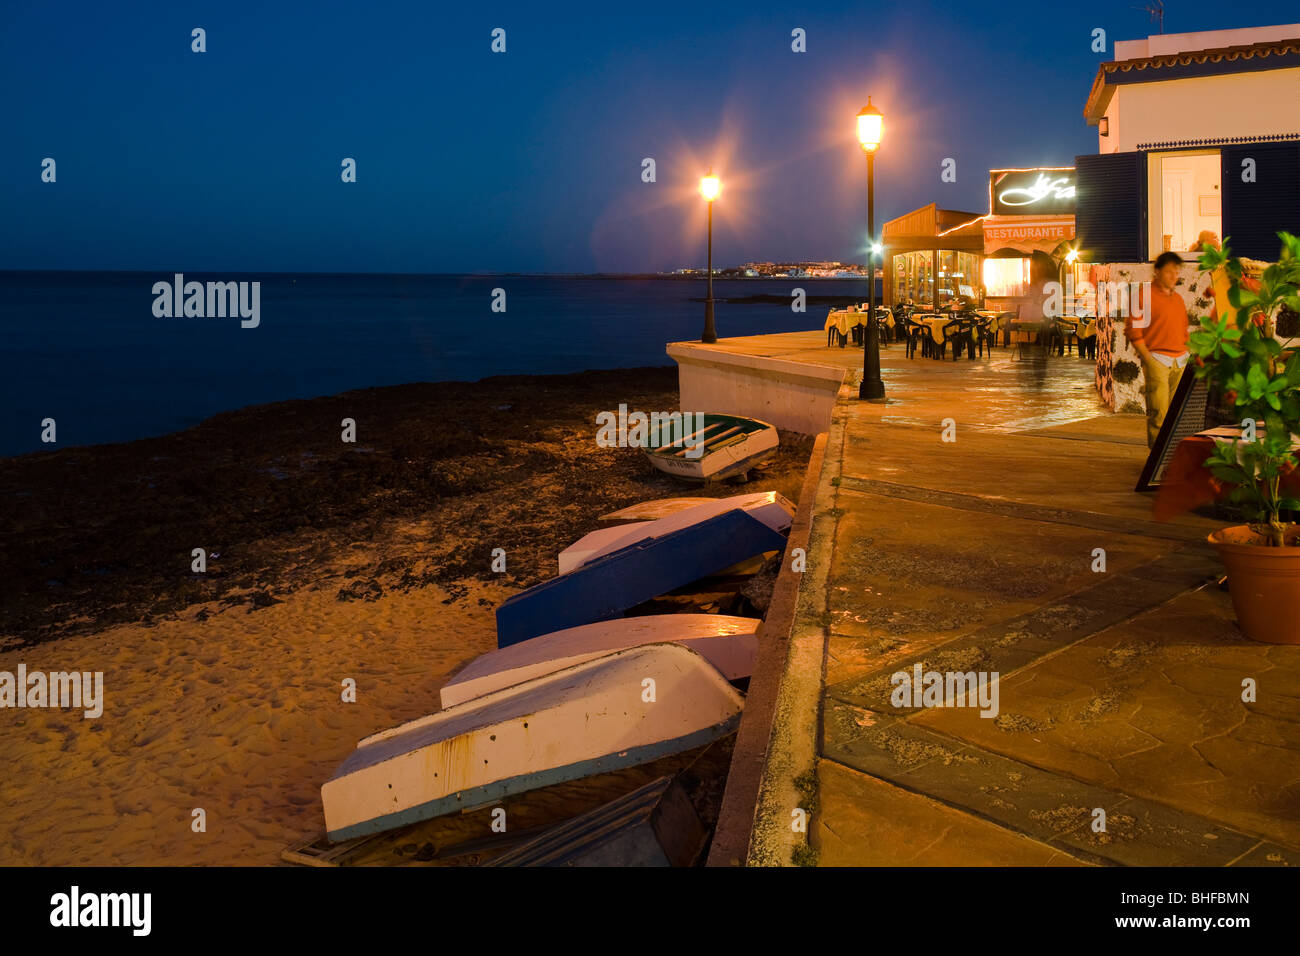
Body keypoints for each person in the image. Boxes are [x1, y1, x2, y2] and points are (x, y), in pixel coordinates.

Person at [1126, 252, 1191, 447]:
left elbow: (1183, 331)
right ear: (1157, 271)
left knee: (1177, 415)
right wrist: (1148, 358)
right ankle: (1157, 464)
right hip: (1158, 360)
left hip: (1180, 360)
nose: (1174, 276)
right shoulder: (1142, 296)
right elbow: (1133, 330)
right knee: (1159, 414)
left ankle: (1172, 458)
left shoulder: (1178, 299)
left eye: (1177, 272)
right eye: (1169, 272)